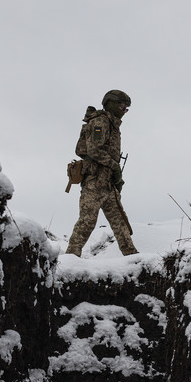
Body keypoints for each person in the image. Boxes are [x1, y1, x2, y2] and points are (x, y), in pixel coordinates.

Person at [65, 90, 139, 257]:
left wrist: (115, 177)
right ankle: (70, 260)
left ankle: (133, 258)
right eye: (121, 105)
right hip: (94, 182)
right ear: (110, 103)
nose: (124, 110)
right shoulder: (101, 121)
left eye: (126, 108)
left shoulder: (113, 125)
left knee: (120, 223)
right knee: (86, 223)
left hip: (108, 184)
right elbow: (94, 150)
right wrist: (115, 167)